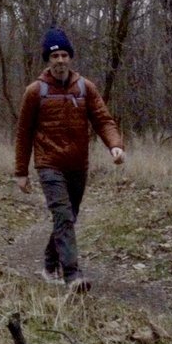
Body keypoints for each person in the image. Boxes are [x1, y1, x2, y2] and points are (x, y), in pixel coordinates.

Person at [12, 28, 125, 288]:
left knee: (69, 216)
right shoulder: (35, 92)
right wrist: (21, 172)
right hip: (48, 164)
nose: (60, 60)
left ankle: (50, 264)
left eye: (64, 55)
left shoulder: (86, 88)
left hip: (77, 165)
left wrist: (115, 145)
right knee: (63, 216)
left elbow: (103, 119)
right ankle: (72, 274)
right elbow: (23, 134)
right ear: (47, 60)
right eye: (55, 56)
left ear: (70, 58)